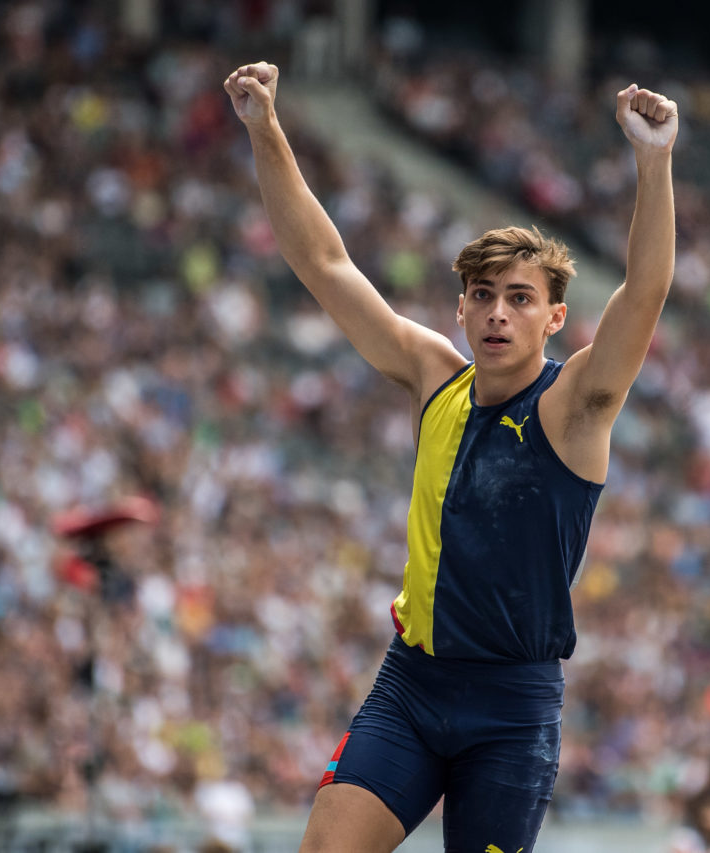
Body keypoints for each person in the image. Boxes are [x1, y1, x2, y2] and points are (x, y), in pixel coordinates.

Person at [224, 60, 677, 853]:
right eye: (482, 295)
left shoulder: (575, 407)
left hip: (512, 706)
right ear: (461, 306)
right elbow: (325, 264)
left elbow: (643, 290)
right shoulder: (433, 375)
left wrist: (654, 161)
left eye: (520, 298)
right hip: (413, 683)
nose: (497, 314)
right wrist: (266, 131)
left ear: (556, 317)